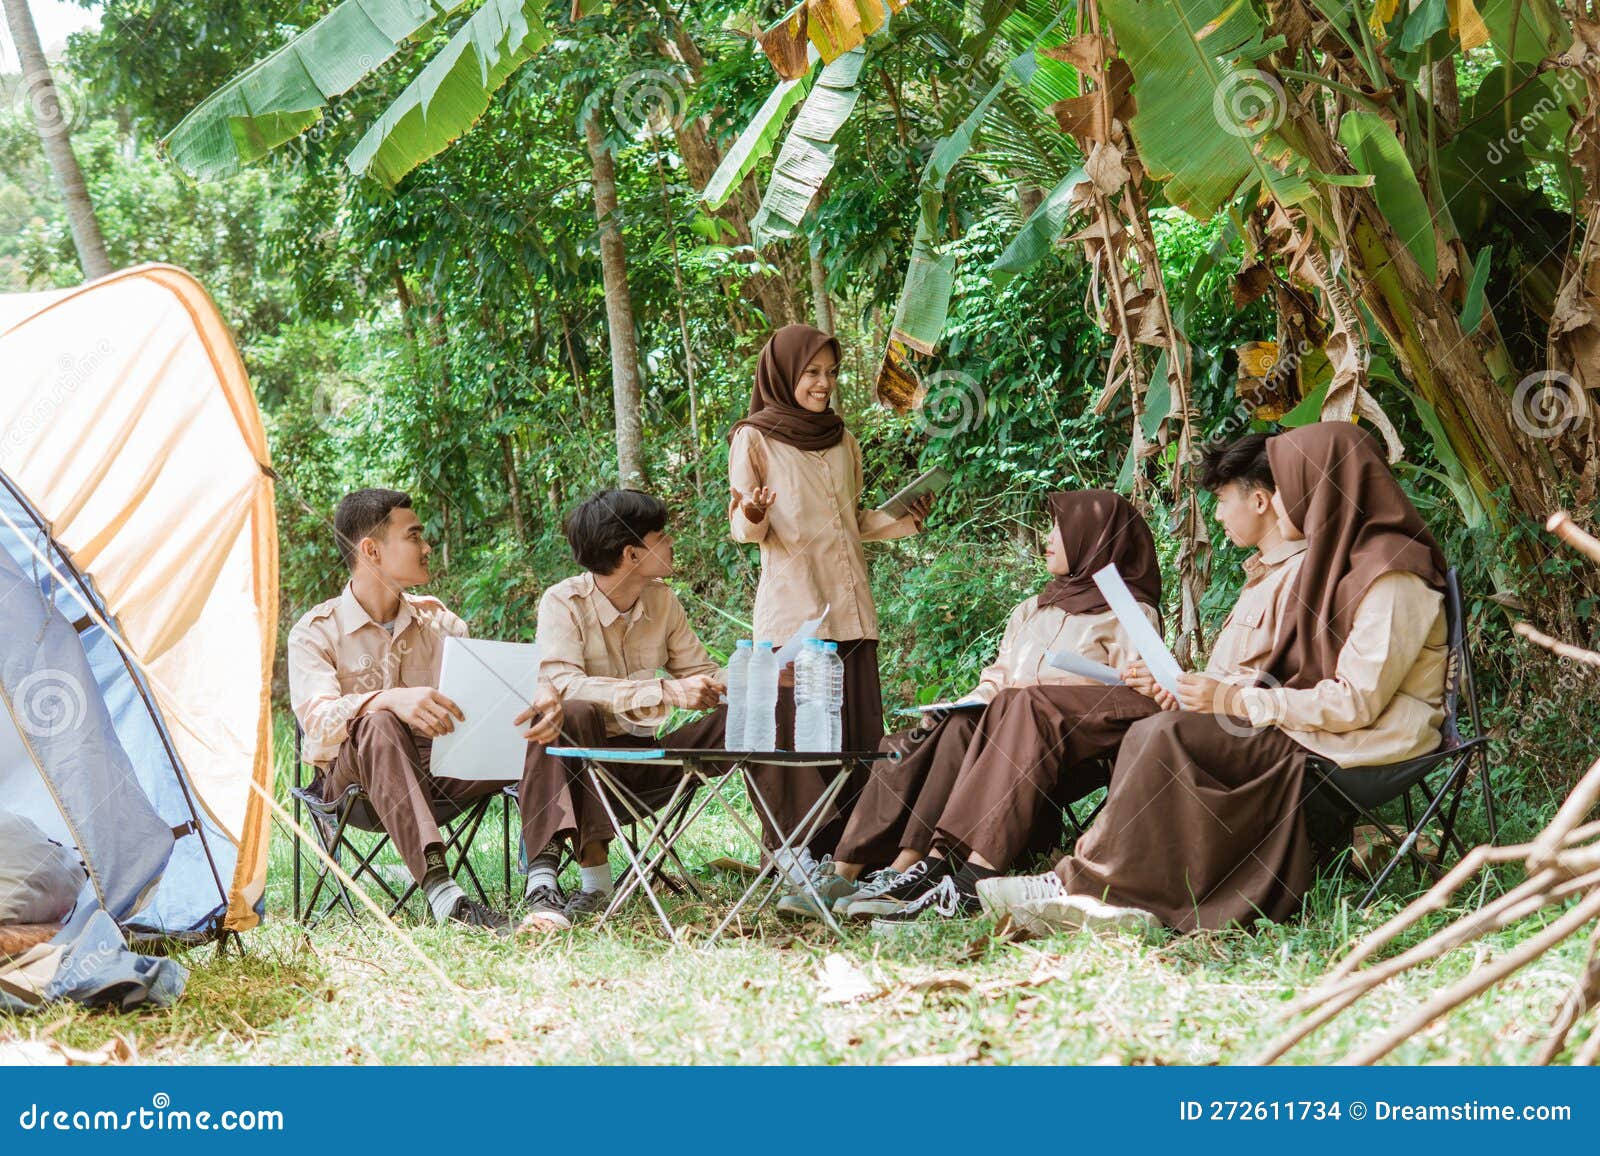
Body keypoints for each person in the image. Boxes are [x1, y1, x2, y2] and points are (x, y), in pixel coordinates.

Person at [984, 423, 1450, 936]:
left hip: (1364, 744)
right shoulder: (1342, 566)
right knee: (1162, 729)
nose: (1281, 502)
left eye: (1292, 487)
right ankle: (1105, 886)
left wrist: (1233, 700)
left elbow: (1356, 703)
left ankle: (1089, 887)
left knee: (1163, 734)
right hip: (1316, 730)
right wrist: (1203, 693)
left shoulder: (1391, 575)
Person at [777, 489, 1160, 923]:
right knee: (939, 731)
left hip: (1067, 747)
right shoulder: (1031, 610)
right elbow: (996, 678)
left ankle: (953, 873)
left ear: (1094, 538)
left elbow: (1140, 696)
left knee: (1022, 705)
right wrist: (963, 703)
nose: (1047, 538)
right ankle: (875, 869)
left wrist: (1037, 698)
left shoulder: (1129, 613)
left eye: (1059, 528)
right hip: (1002, 735)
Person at [288, 489, 564, 934]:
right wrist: (386, 699)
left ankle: (544, 884)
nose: (427, 545)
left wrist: (542, 692)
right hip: (353, 788)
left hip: (442, 772)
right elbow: (316, 724)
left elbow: (487, 699)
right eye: (414, 535)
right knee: (379, 721)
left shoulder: (443, 624)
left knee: (535, 719)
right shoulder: (315, 632)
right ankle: (444, 895)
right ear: (372, 551)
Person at [727, 324, 930, 890]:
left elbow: (850, 521)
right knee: (798, 739)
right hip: (794, 615)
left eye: (831, 373)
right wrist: (756, 510)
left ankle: (852, 856)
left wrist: (903, 522)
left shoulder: (842, 439)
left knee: (856, 737)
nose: (824, 384)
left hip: (852, 610)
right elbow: (743, 528)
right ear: (784, 375)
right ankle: (794, 856)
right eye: (812, 373)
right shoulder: (754, 438)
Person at [534, 489, 728, 926]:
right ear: (632, 553)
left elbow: (703, 671)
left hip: (648, 758)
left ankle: (792, 859)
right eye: (661, 535)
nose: (671, 542)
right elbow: (562, 682)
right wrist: (664, 692)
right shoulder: (563, 602)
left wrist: (763, 673)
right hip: (584, 766)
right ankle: (595, 883)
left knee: (751, 712)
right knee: (577, 709)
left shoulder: (662, 600)